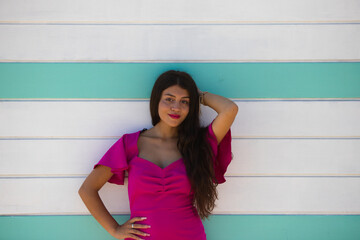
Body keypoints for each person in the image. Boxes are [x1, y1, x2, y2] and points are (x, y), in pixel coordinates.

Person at [78, 70, 238, 240]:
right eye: (169, 99)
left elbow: (229, 109)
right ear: (156, 100)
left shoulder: (199, 144)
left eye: (184, 101)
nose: (176, 107)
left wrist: (199, 96)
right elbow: (87, 189)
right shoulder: (130, 144)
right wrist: (115, 229)